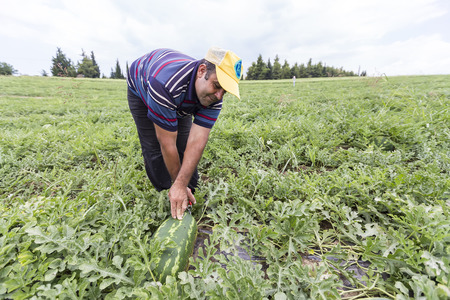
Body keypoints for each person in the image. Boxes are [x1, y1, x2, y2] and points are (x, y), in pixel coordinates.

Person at [127, 47, 242, 220]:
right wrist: (177, 185)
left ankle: (188, 193)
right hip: (142, 85)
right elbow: (167, 143)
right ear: (202, 71)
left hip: (179, 93)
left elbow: (197, 141)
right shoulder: (165, 83)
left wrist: (184, 184)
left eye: (224, 91)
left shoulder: (214, 97)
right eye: (217, 86)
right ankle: (166, 193)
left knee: (184, 141)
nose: (219, 96)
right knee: (154, 145)